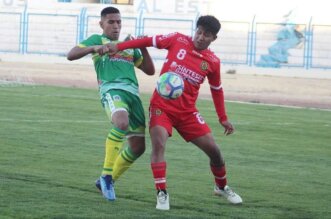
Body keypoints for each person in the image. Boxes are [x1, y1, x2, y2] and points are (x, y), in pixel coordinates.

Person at [100, 15, 242, 210]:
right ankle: (162, 192)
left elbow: (217, 90)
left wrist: (223, 118)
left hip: (187, 113)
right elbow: (148, 40)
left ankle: (221, 186)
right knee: (158, 145)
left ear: (213, 38)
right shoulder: (177, 39)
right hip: (161, 108)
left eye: (206, 35)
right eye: (198, 32)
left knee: (215, 152)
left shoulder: (213, 62)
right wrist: (120, 46)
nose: (200, 37)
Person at [66, 6, 155, 201]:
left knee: (138, 147)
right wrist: (93, 49)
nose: (116, 26)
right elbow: (71, 54)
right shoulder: (98, 41)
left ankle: (105, 180)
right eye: (111, 22)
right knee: (121, 123)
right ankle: (107, 176)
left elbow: (149, 70)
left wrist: (142, 46)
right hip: (112, 90)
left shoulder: (127, 45)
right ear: (102, 24)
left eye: (119, 22)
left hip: (134, 96)